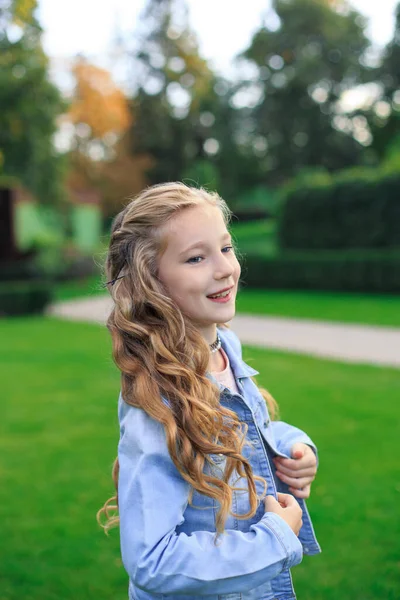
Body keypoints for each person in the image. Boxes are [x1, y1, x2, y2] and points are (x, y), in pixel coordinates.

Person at [98, 182, 321, 600]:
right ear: (152, 280)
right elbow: (153, 561)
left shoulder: (223, 348)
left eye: (226, 248)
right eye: (197, 258)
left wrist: (293, 449)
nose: (225, 269)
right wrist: (273, 540)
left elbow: (245, 428)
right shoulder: (157, 398)